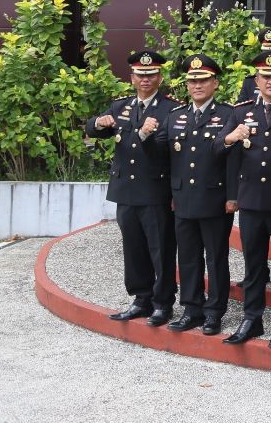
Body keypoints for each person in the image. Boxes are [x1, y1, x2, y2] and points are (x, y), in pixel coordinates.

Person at [86, 50, 178, 326]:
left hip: (155, 190)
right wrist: (97, 122)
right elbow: (93, 129)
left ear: (159, 78)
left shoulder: (170, 109)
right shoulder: (120, 107)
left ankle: (163, 303)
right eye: (141, 75)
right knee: (133, 247)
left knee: (160, 249)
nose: (145, 79)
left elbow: (172, 152)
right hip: (125, 190)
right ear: (132, 78)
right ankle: (141, 298)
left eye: (151, 75)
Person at [220, 51, 271, 348]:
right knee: (253, 264)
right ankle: (252, 318)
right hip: (251, 201)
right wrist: (230, 137)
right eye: (265, 76)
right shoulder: (240, 112)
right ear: (256, 80)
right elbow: (222, 150)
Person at [157, 54, 233, 335]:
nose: (197, 85)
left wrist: (232, 196)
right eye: (192, 81)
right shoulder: (176, 116)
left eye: (203, 80)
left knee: (215, 257)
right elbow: (162, 156)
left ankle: (214, 311)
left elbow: (233, 160)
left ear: (215, 83)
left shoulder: (227, 114)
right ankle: (192, 308)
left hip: (214, 197)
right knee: (188, 257)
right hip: (183, 197)